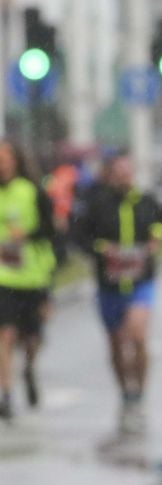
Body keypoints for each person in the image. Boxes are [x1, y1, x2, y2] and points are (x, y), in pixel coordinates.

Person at [71, 151, 162, 433]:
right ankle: (125, 393)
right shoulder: (97, 203)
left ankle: (139, 391)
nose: (124, 177)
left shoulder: (146, 201)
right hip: (109, 284)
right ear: (110, 174)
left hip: (141, 281)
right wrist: (103, 250)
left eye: (128, 171)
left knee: (138, 335)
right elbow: (78, 236)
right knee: (116, 342)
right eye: (118, 172)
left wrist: (156, 239)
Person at [0, 140, 57, 422]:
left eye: (6, 157)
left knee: (32, 338)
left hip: (33, 275)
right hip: (3, 277)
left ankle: (28, 368)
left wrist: (28, 235)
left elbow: (51, 230)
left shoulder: (33, 192)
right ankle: (6, 394)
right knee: (5, 335)